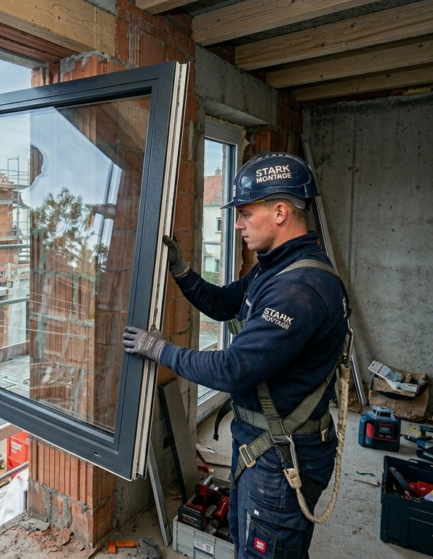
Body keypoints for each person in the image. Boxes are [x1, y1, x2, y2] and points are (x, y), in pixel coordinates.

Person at [122, 152, 349, 559]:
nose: (238, 224)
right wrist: (181, 271)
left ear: (280, 212)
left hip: (284, 458)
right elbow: (226, 303)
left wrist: (160, 350)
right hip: (262, 445)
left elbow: (231, 370)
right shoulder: (274, 268)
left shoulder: (300, 290)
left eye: (245, 213)